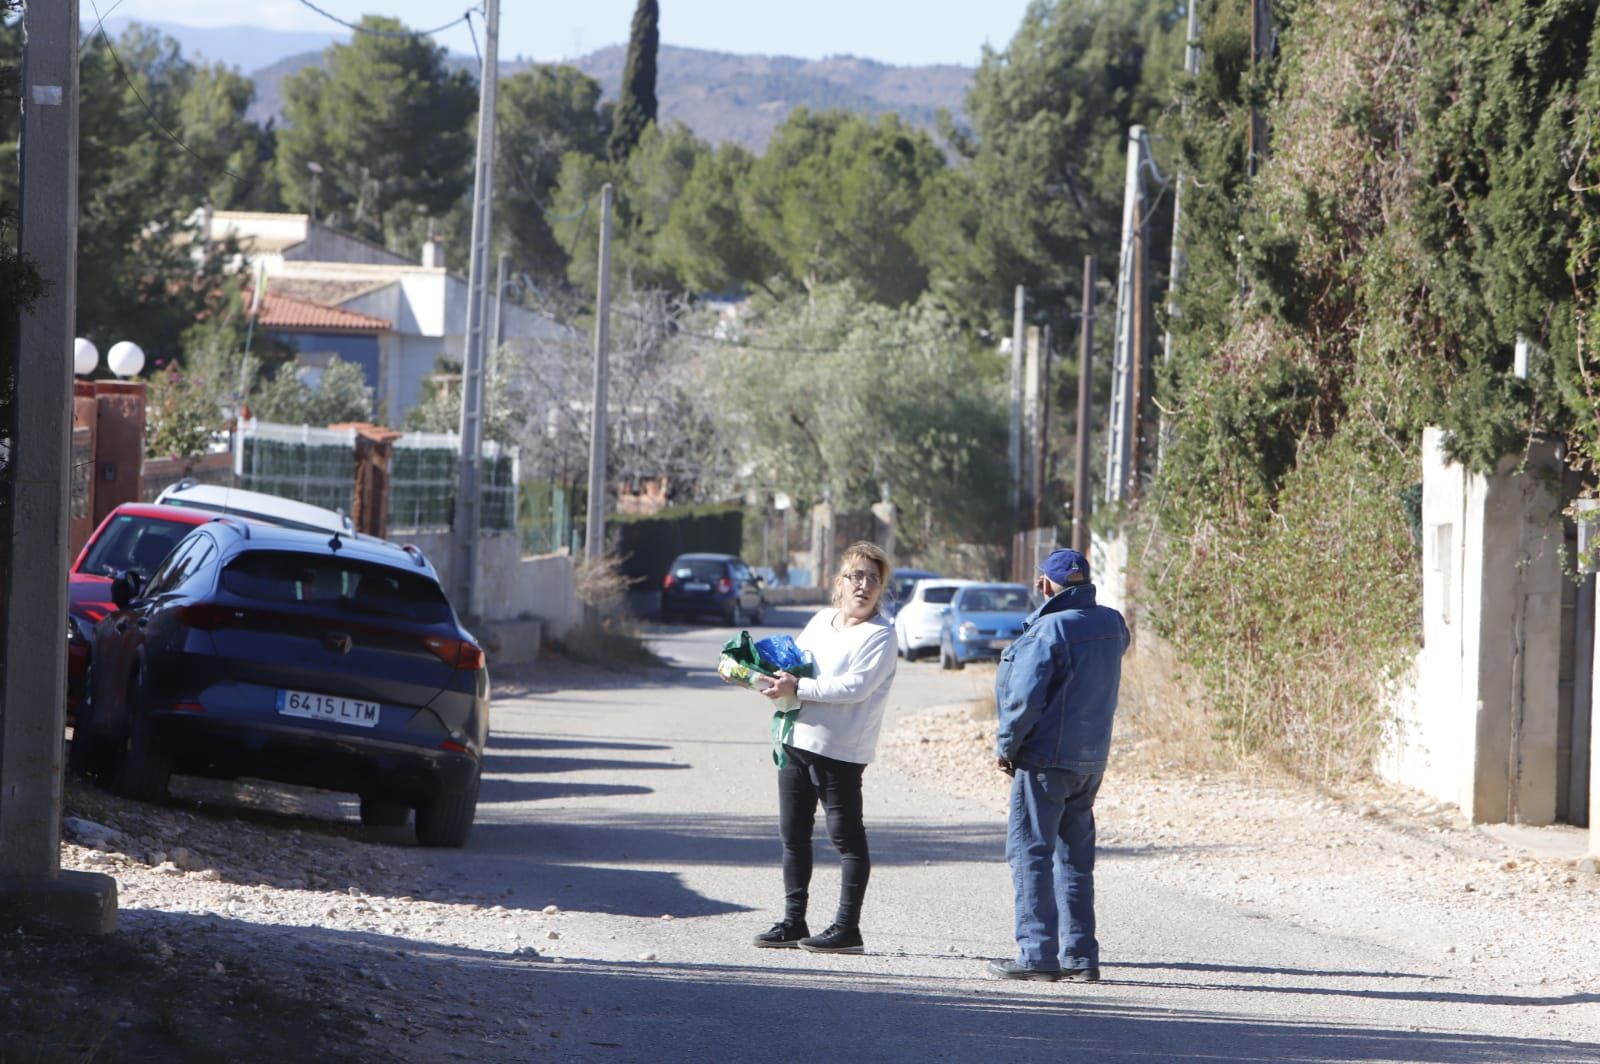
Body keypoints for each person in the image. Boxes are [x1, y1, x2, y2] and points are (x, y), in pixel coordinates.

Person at [989, 547, 1129, 982]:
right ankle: (1081, 958)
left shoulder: (1048, 630)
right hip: (1091, 760)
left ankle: (1036, 956)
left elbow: (1023, 700)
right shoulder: (1113, 624)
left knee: (1030, 851)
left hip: (1046, 758)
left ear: (1044, 584)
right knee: (1075, 859)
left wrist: (1006, 747)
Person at [753, 541, 898, 955]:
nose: (864, 585)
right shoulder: (820, 620)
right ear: (840, 582)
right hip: (796, 739)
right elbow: (794, 662)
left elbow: (854, 688)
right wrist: (760, 674)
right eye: (856, 575)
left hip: (841, 751)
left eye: (874, 578)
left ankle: (847, 929)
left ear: (881, 588)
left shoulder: (881, 635)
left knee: (846, 838)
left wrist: (798, 686)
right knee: (793, 835)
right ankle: (793, 921)